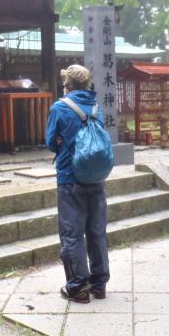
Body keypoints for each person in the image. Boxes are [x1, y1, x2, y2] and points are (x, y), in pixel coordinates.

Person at [45, 64, 110, 304]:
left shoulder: (60, 108)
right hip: (96, 176)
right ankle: (99, 283)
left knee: (72, 233)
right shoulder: (96, 107)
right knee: (96, 231)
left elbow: (51, 142)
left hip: (70, 177)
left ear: (68, 85)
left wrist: (63, 138)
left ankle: (78, 287)